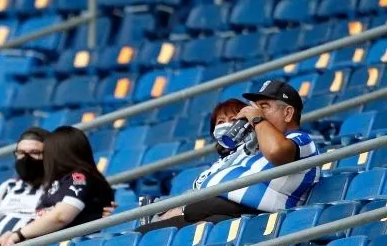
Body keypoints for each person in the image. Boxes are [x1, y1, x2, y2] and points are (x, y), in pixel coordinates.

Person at [137, 80, 320, 233]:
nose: (258, 112)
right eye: (256, 108)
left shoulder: (301, 140)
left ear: (287, 113)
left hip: (260, 222)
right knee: (143, 235)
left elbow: (276, 152)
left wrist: (257, 119)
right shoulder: (256, 146)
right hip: (223, 214)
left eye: (265, 107)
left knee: (194, 234)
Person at [0, 126, 115, 246]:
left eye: (47, 152)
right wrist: (14, 234)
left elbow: (61, 216)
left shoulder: (79, 177)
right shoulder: (58, 182)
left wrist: (19, 234)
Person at [146, 98, 249, 223]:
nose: (226, 125)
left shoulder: (250, 155)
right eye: (221, 122)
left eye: (233, 120)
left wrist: (183, 209)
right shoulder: (217, 165)